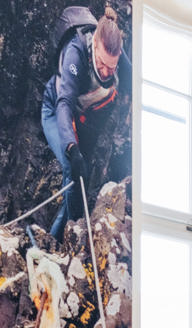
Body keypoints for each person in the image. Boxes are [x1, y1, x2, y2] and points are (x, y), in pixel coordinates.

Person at [41, 6, 131, 242]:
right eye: (101, 64)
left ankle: (55, 239)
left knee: (81, 179)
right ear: (95, 46)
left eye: (112, 67)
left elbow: (133, 80)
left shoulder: (115, 53)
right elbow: (64, 104)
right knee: (72, 168)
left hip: (84, 119)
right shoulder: (76, 51)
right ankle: (73, 232)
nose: (106, 72)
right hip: (55, 111)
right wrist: (71, 148)